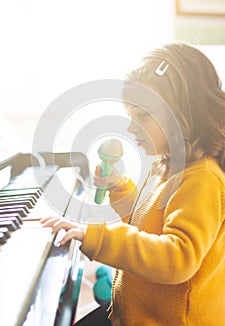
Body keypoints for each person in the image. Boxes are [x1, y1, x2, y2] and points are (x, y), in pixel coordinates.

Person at [41, 42, 225, 325]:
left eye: (142, 116)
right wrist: (120, 188)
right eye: (130, 115)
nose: (130, 127)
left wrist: (97, 236)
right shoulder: (168, 166)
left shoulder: (201, 180)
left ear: (184, 116)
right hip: (133, 314)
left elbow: (176, 258)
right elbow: (144, 226)